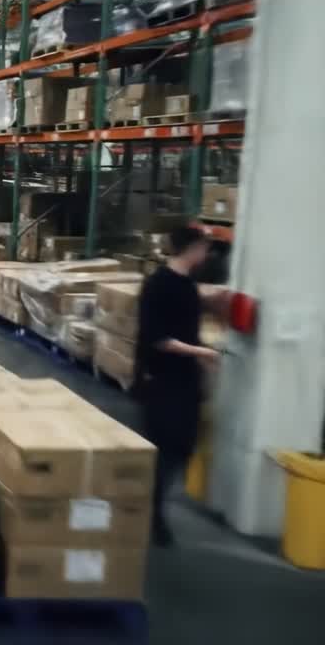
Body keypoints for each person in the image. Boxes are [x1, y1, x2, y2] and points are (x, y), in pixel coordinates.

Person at [133, 225, 224, 547]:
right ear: (192, 248)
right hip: (163, 381)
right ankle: (150, 515)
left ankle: (151, 510)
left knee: (182, 447)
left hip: (185, 381)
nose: (207, 254)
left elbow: (187, 329)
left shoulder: (187, 286)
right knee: (164, 450)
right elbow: (157, 338)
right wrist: (202, 352)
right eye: (203, 247)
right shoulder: (159, 285)